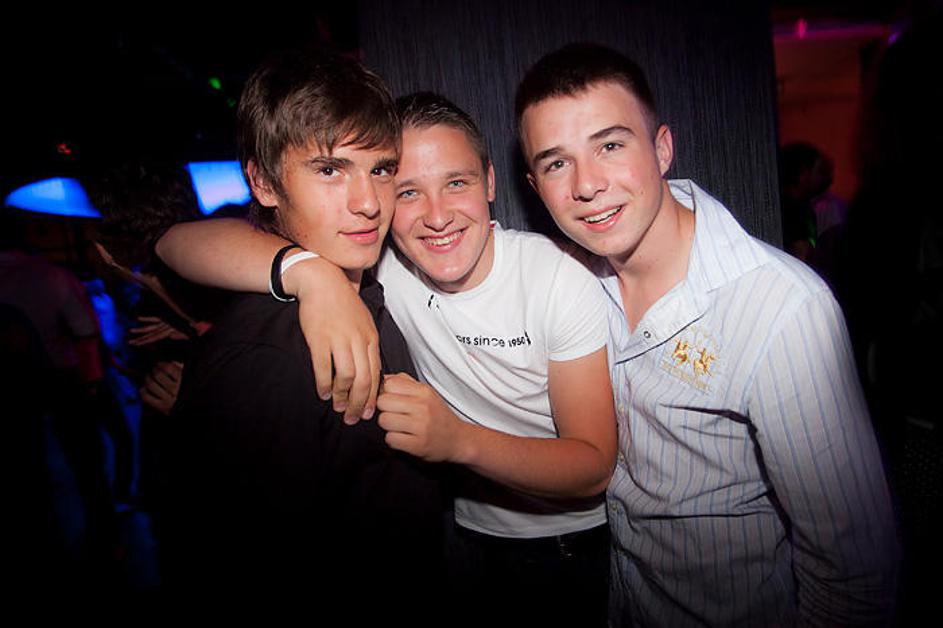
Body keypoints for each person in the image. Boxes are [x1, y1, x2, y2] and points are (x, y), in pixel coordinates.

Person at [157, 91, 616, 626]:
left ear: (490, 182)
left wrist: (457, 440)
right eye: (408, 191)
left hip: (563, 551)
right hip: (458, 538)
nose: (437, 217)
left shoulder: (556, 278)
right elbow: (173, 244)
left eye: (457, 183)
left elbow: (592, 466)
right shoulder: (385, 267)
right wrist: (312, 275)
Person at [514, 43, 899, 626]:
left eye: (610, 145)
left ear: (662, 148)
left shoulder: (782, 309)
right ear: (535, 185)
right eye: (556, 164)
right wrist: (347, 287)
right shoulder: (569, 283)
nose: (586, 185)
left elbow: (855, 577)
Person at [159, 49, 445, 620]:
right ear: (263, 182)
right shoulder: (272, 354)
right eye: (330, 170)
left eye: (381, 169)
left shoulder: (375, 280)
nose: (369, 204)